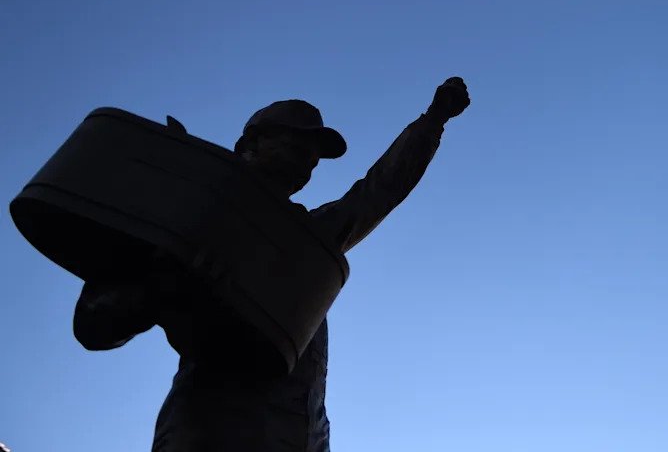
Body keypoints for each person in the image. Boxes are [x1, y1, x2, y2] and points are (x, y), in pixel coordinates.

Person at [72, 77, 471, 451]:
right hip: (212, 432)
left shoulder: (306, 238)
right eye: (297, 144)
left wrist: (432, 123)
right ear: (251, 143)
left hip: (303, 433)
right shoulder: (195, 214)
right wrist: (166, 284)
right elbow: (96, 324)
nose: (310, 160)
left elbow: (379, 190)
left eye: (314, 156)